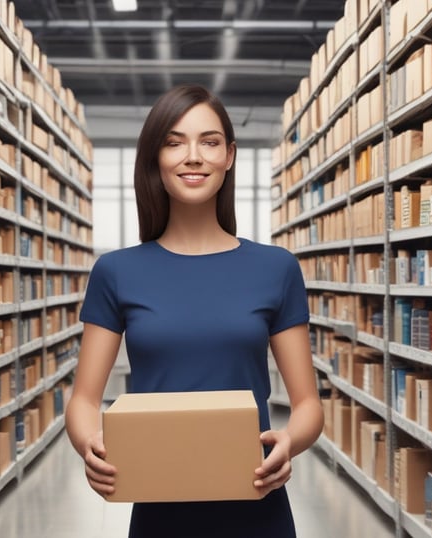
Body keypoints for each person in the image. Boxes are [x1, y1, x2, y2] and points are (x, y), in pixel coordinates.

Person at [65, 83, 324, 538]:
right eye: (174, 142)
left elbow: (307, 405)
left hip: (256, 501)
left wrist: (290, 441)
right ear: (155, 159)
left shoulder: (276, 268)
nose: (193, 156)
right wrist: (92, 446)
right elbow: (84, 400)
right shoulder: (117, 271)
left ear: (230, 156)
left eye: (209, 141)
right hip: (159, 506)